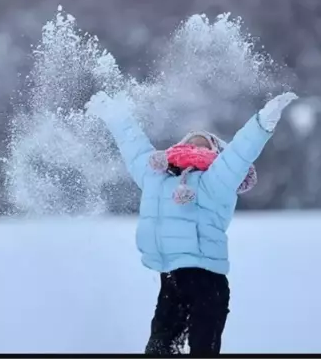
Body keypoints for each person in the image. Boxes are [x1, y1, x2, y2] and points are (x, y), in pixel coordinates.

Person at [85, 90, 297, 354]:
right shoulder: (157, 179)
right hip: (171, 280)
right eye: (190, 143)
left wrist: (263, 121)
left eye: (203, 145)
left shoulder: (216, 181)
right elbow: (134, 147)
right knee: (158, 349)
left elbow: (241, 152)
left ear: (216, 154)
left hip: (207, 284)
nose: (195, 148)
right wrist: (114, 115)